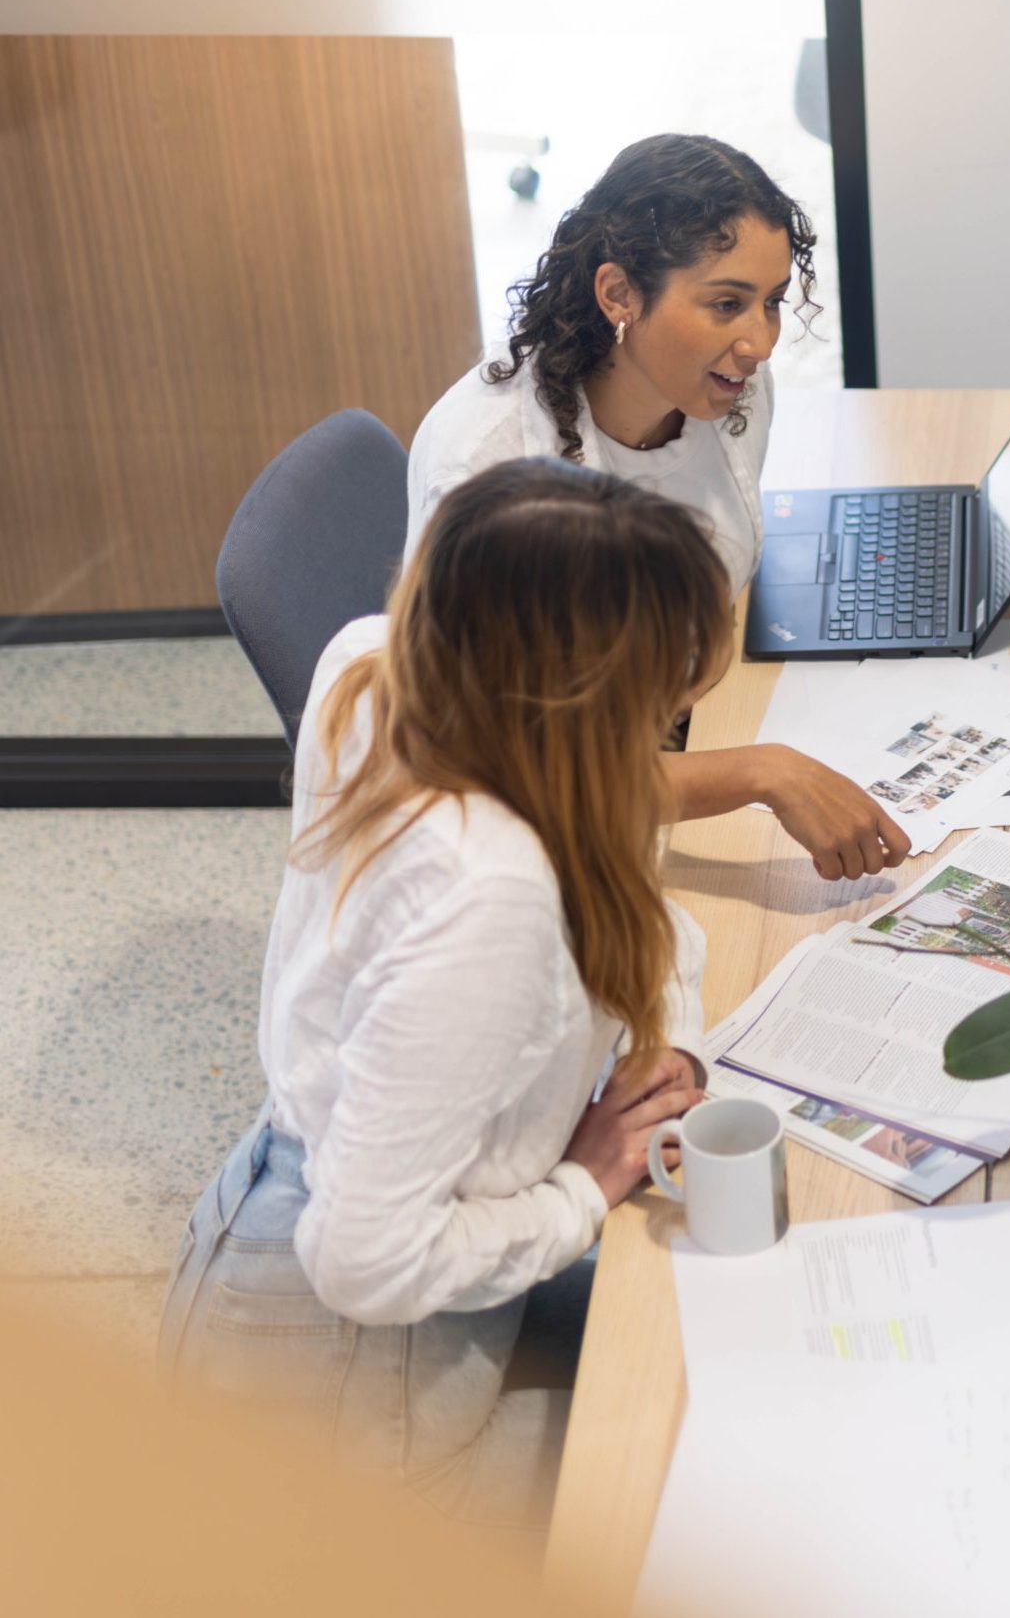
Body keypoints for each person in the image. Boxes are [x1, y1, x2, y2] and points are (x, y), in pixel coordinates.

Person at [160, 460, 732, 1537]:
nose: (667, 723)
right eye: (660, 691)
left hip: (315, 1211)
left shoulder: (377, 666)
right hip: (362, 1357)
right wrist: (589, 1180)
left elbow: (635, 903)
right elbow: (366, 1262)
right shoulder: (492, 893)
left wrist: (674, 1046)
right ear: (575, 698)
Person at [409, 132, 906, 881]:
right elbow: (514, 773)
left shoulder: (722, 387)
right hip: (552, 811)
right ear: (619, 295)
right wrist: (759, 773)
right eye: (726, 303)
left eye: (771, 303)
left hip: (685, 714)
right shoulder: (490, 469)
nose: (760, 342)